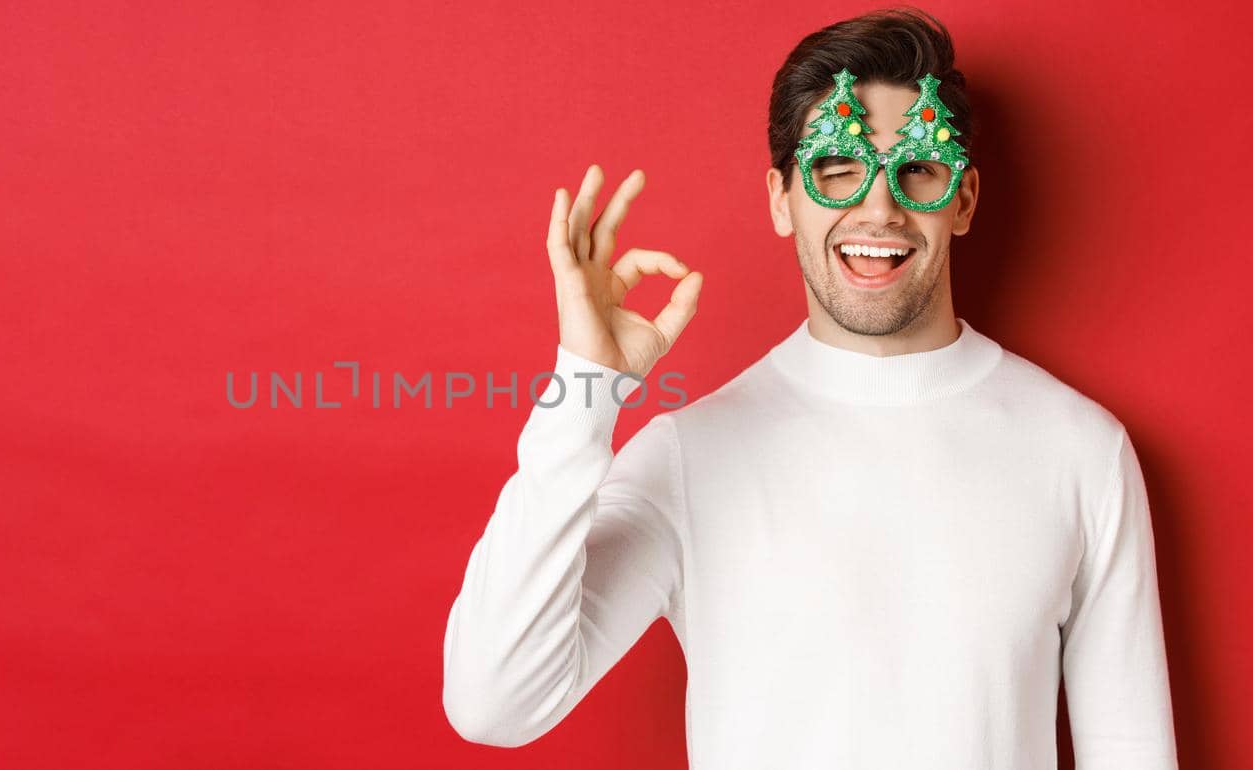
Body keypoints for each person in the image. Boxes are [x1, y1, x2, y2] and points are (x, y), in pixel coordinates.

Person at [440, 8, 1179, 768]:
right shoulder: (690, 458)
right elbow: (494, 703)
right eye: (837, 170)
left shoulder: (1080, 450)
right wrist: (585, 388)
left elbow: (1133, 749)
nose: (879, 208)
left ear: (962, 200)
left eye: (919, 169)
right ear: (780, 198)